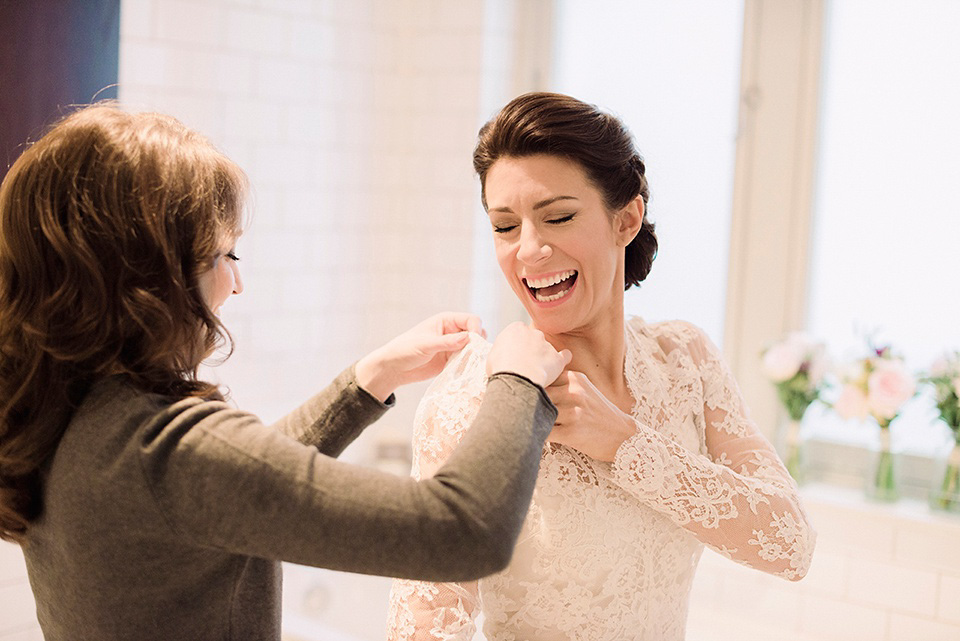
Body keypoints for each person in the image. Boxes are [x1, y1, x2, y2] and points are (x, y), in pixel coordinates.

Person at [0, 104, 573, 641]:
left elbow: (224, 489)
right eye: (227, 255)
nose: (235, 283)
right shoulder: (163, 450)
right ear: (152, 276)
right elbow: (463, 532)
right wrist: (519, 381)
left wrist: (368, 380)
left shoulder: (64, 414)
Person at [386, 92, 817, 641]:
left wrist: (625, 443)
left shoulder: (684, 360)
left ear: (627, 218)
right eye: (504, 226)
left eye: (558, 217)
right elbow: (423, 629)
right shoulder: (474, 396)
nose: (529, 250)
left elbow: (790, 544)